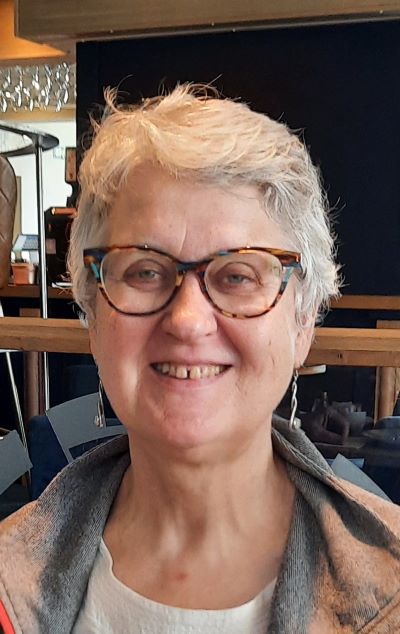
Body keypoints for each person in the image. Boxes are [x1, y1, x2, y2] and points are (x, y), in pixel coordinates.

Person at [1, 85, 400, 634]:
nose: (188, 320)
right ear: (92, 312)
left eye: (238, 276)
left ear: (303, 319)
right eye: (144, 271)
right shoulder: (9, 571)